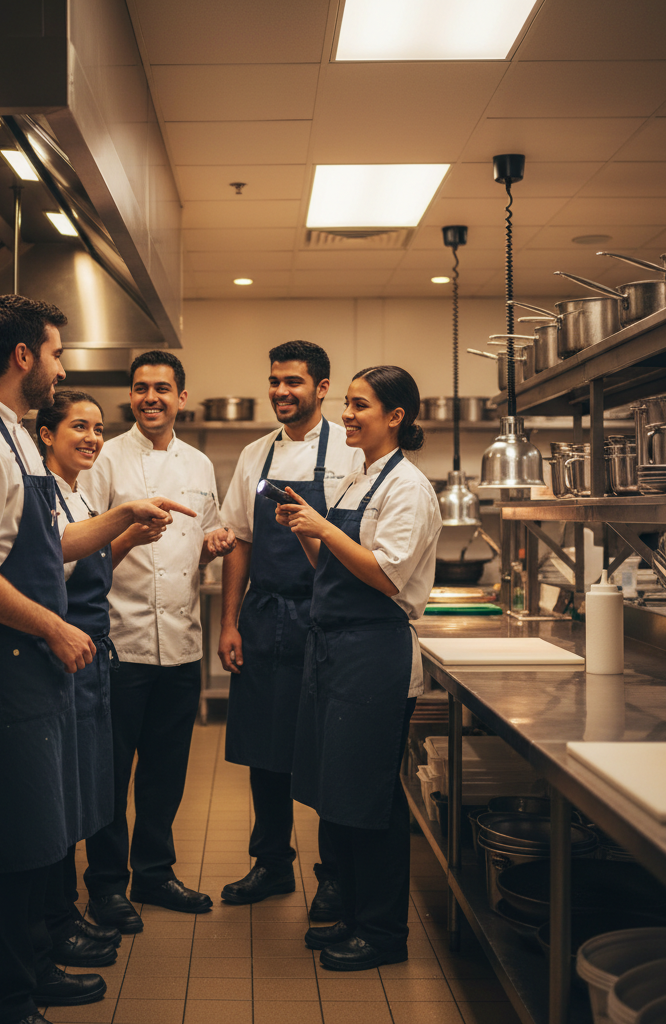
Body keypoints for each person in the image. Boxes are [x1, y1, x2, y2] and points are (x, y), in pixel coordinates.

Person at [0, 297, 193, 1024]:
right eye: (57, 354)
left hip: (27, 666)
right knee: (8, 844)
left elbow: (48, 548)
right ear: (23, 358)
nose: (63, 367)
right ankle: (4, 1003)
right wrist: (56, 629)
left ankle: (34, 968)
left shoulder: (8, 437)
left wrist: (123, 516)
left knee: (37, 835)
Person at [277, 365, 440, 971]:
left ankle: (383, 933)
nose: (346, 414)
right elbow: (334, 565)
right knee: (334, 794)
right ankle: (349, 914)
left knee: (369, 798)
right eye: (345, 403)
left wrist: (322, 526)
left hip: (374, 655)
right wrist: (303, 530)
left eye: (359, 405)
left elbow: (387, 573)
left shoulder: (409, 488)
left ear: (395, 417)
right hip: (334, 652)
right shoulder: (357, 479)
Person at [81, 350, 237, 933]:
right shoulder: (103, 458)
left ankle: (153, 872)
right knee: (112, 771)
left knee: (167, 769)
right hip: (117, 641)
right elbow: (84, 545)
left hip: (181, 643)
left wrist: (212, 544)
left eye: (163, 388)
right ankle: (105, 887)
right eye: (142, 388)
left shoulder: (199, 465)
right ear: (129, 395)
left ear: (182, 397)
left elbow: (193, 547)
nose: (152, 397)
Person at [217, 341, 363, 915]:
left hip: (323, 617)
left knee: (324, 747)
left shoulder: (350, 456)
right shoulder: (255, 455)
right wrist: (229, 622)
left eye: (294, 382)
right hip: (264, 614)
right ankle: (272, 863)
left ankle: (331, 875)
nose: (281, 391)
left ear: (321, 388)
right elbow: (240, 541)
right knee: (264, 748)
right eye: (274, 381)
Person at [36, 389, 168, 969]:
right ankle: (55, 918)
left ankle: (65, 913)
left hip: (88, 656)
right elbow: (48, 560)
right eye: (78, 427)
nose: (92, 437)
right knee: (59, 799)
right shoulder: (40, 497)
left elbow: (86, 563)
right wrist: (126, 516)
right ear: (46, 435)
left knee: (81, 792)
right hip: (58, 657)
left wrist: (126, 539)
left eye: (97, 428)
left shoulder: (76, 495)